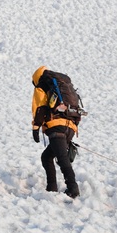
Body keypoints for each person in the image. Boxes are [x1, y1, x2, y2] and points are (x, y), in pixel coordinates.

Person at [31, 65, 80, 198]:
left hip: (56, 126)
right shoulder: (62, 85)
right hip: (70, 127)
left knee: (62, 158)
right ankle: (51, 188)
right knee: (46, 157)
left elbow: (40, 108)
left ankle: (73, 188)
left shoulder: (42, 84)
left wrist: (36, 127)